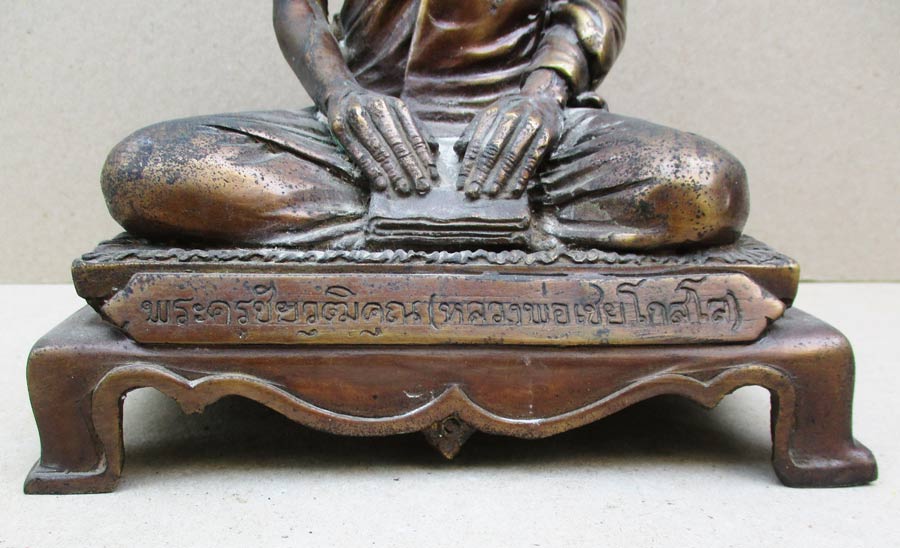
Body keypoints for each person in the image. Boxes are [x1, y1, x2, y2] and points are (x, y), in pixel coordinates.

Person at [101, 0, 749, 250]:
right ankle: (456, 219)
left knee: (704, 184)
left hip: (527, 136)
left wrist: (543, 99)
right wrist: (341, 97)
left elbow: (590, 9)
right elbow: (300, 8)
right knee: (145, 168)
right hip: (365, 135)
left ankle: (464, 215)